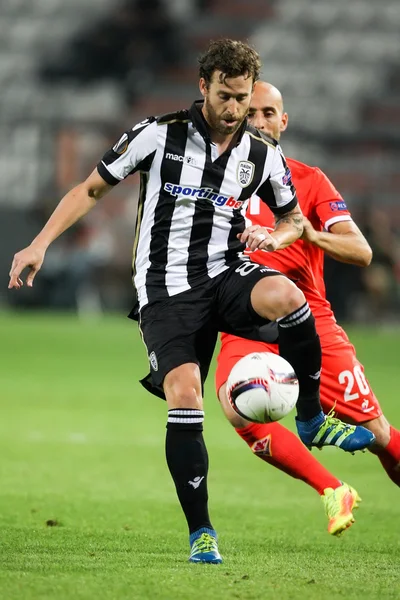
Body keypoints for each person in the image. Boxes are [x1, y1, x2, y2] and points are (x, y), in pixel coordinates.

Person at [8, 41, 375, 564]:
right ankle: (201, 531)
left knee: (287, 295)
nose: (233, 110)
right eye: (224, 96)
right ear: (203, 87)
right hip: (164, 289)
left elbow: (293, 216)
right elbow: (91, 189)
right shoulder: (158, 135)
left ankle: (312, 417)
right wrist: (40, 243)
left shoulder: (259, 154)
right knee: (186, 397)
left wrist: (277, 238)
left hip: (225, 273)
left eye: (242, 100)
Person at [216, 81, 400, 534]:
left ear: (283, 121)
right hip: (243, 319)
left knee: (377, 434)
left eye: (267, 113)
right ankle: (333, 489)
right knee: (238, 407)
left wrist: (307, 232)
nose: (257, 122)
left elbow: (362, 252)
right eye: (249, 113)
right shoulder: (213, 180)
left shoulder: (309, 180)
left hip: (310, 320)